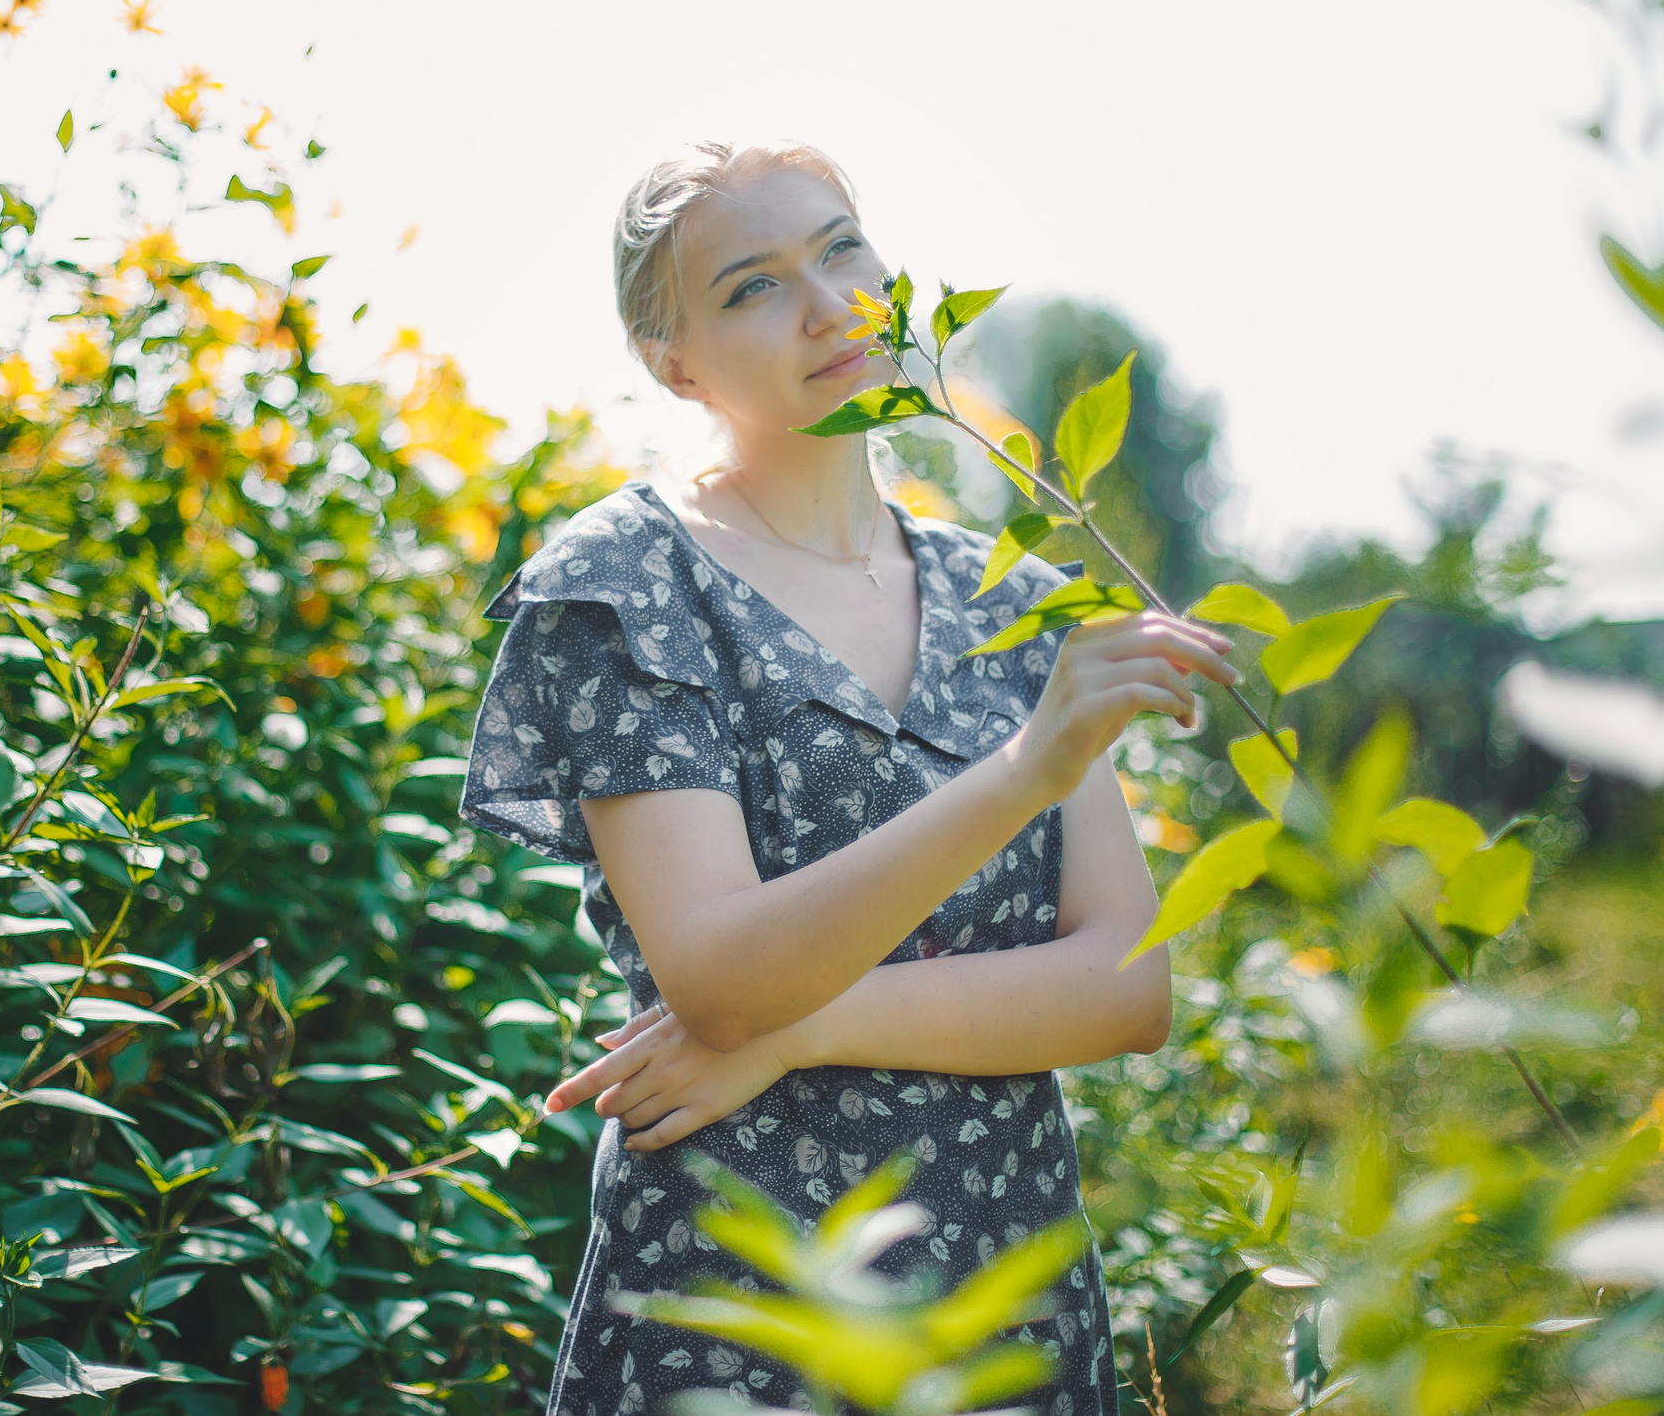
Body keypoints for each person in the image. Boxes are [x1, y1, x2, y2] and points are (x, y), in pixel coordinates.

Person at [461, 141, 1240, 1416]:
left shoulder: (1017, 597)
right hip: (741, 1300)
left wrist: (801, 1031)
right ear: (673, 362)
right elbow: (719, 977)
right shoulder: (627, 584)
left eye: (841, 251)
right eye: (752, 287)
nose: (828, 307)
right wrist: (1021, 773)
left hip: (1009, 1286)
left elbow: (1124, 986)